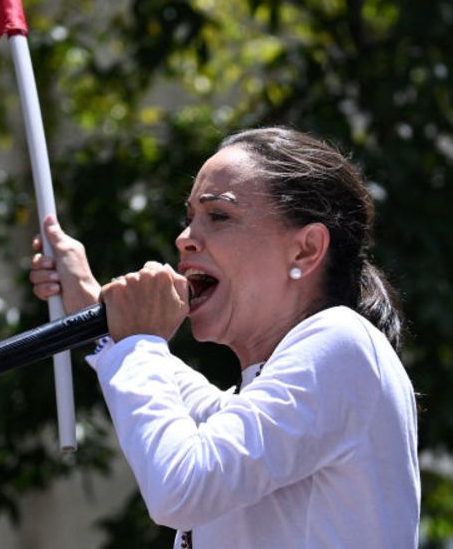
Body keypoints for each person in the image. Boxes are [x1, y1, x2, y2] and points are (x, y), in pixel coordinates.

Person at [29, 127, 419, 547]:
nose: (184, 239)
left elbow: (182, 486)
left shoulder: (344, 343)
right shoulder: (280, 388)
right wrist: (100, 311)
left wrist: (139, 342)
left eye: (218, 216)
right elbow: (200, 410)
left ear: (305, 250)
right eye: (189, 218)